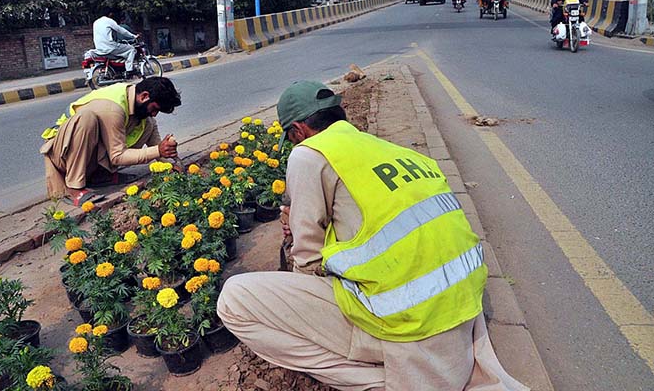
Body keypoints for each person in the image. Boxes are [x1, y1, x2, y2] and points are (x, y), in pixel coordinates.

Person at [217, 81, 528, 391]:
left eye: (293, 138)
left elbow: (308, 260)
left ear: (298, 131)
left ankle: (383, 383)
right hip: (462, 315)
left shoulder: (308, 154)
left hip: (407, 326)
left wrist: (295, 236)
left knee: (233, 300)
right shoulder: (396, 152)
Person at [40, 77, 181, 206]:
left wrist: (172, 163)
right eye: (155, 108)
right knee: (86, 119)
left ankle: (99, 176)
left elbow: (156, 145)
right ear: (144, 96)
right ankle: (74, 187)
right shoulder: (113, 108)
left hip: (88, 155)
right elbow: (118, 155)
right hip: (62, 156)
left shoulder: (135, 101)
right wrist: (158, 150)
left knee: (148, 123)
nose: (155, 113)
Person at [93, 8, 140, 76]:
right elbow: (121, 30)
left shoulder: (96, 22)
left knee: (120, 50)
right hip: (110, 46)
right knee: (131, 49)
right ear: (110, 14)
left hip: (99, 48)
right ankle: (129, 70)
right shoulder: (109, 21)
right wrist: (134, 36)